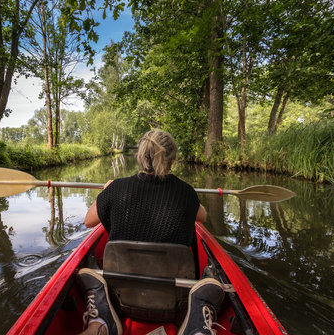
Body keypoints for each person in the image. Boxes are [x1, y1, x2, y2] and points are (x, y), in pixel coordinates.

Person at [77, 129, 225, 335]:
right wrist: (190, 197)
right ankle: (197, 323)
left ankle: (100, 323)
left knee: (88, 264)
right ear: (172, 161)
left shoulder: (117, 189)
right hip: (175, 306)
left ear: (139, 156)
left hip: (120, 300)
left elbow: (88, 221)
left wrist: (107, 192)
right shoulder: (185, 192)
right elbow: (203, 216)